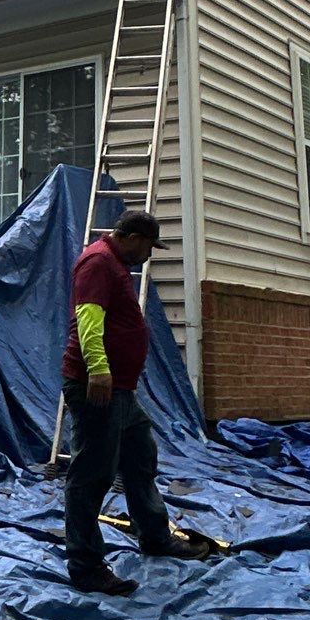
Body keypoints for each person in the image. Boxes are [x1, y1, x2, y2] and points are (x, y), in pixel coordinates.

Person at [60, 208, 210, 594]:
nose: (149, 254)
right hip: (98, 387)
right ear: (133, 238)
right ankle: (86, 566)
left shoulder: (114, 264)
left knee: (140, 457)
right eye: (149, 246)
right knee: (91, 476)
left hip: (121, 391)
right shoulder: (98, 262)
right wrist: (99, 369)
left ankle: (154, 536)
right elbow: (88, 320)